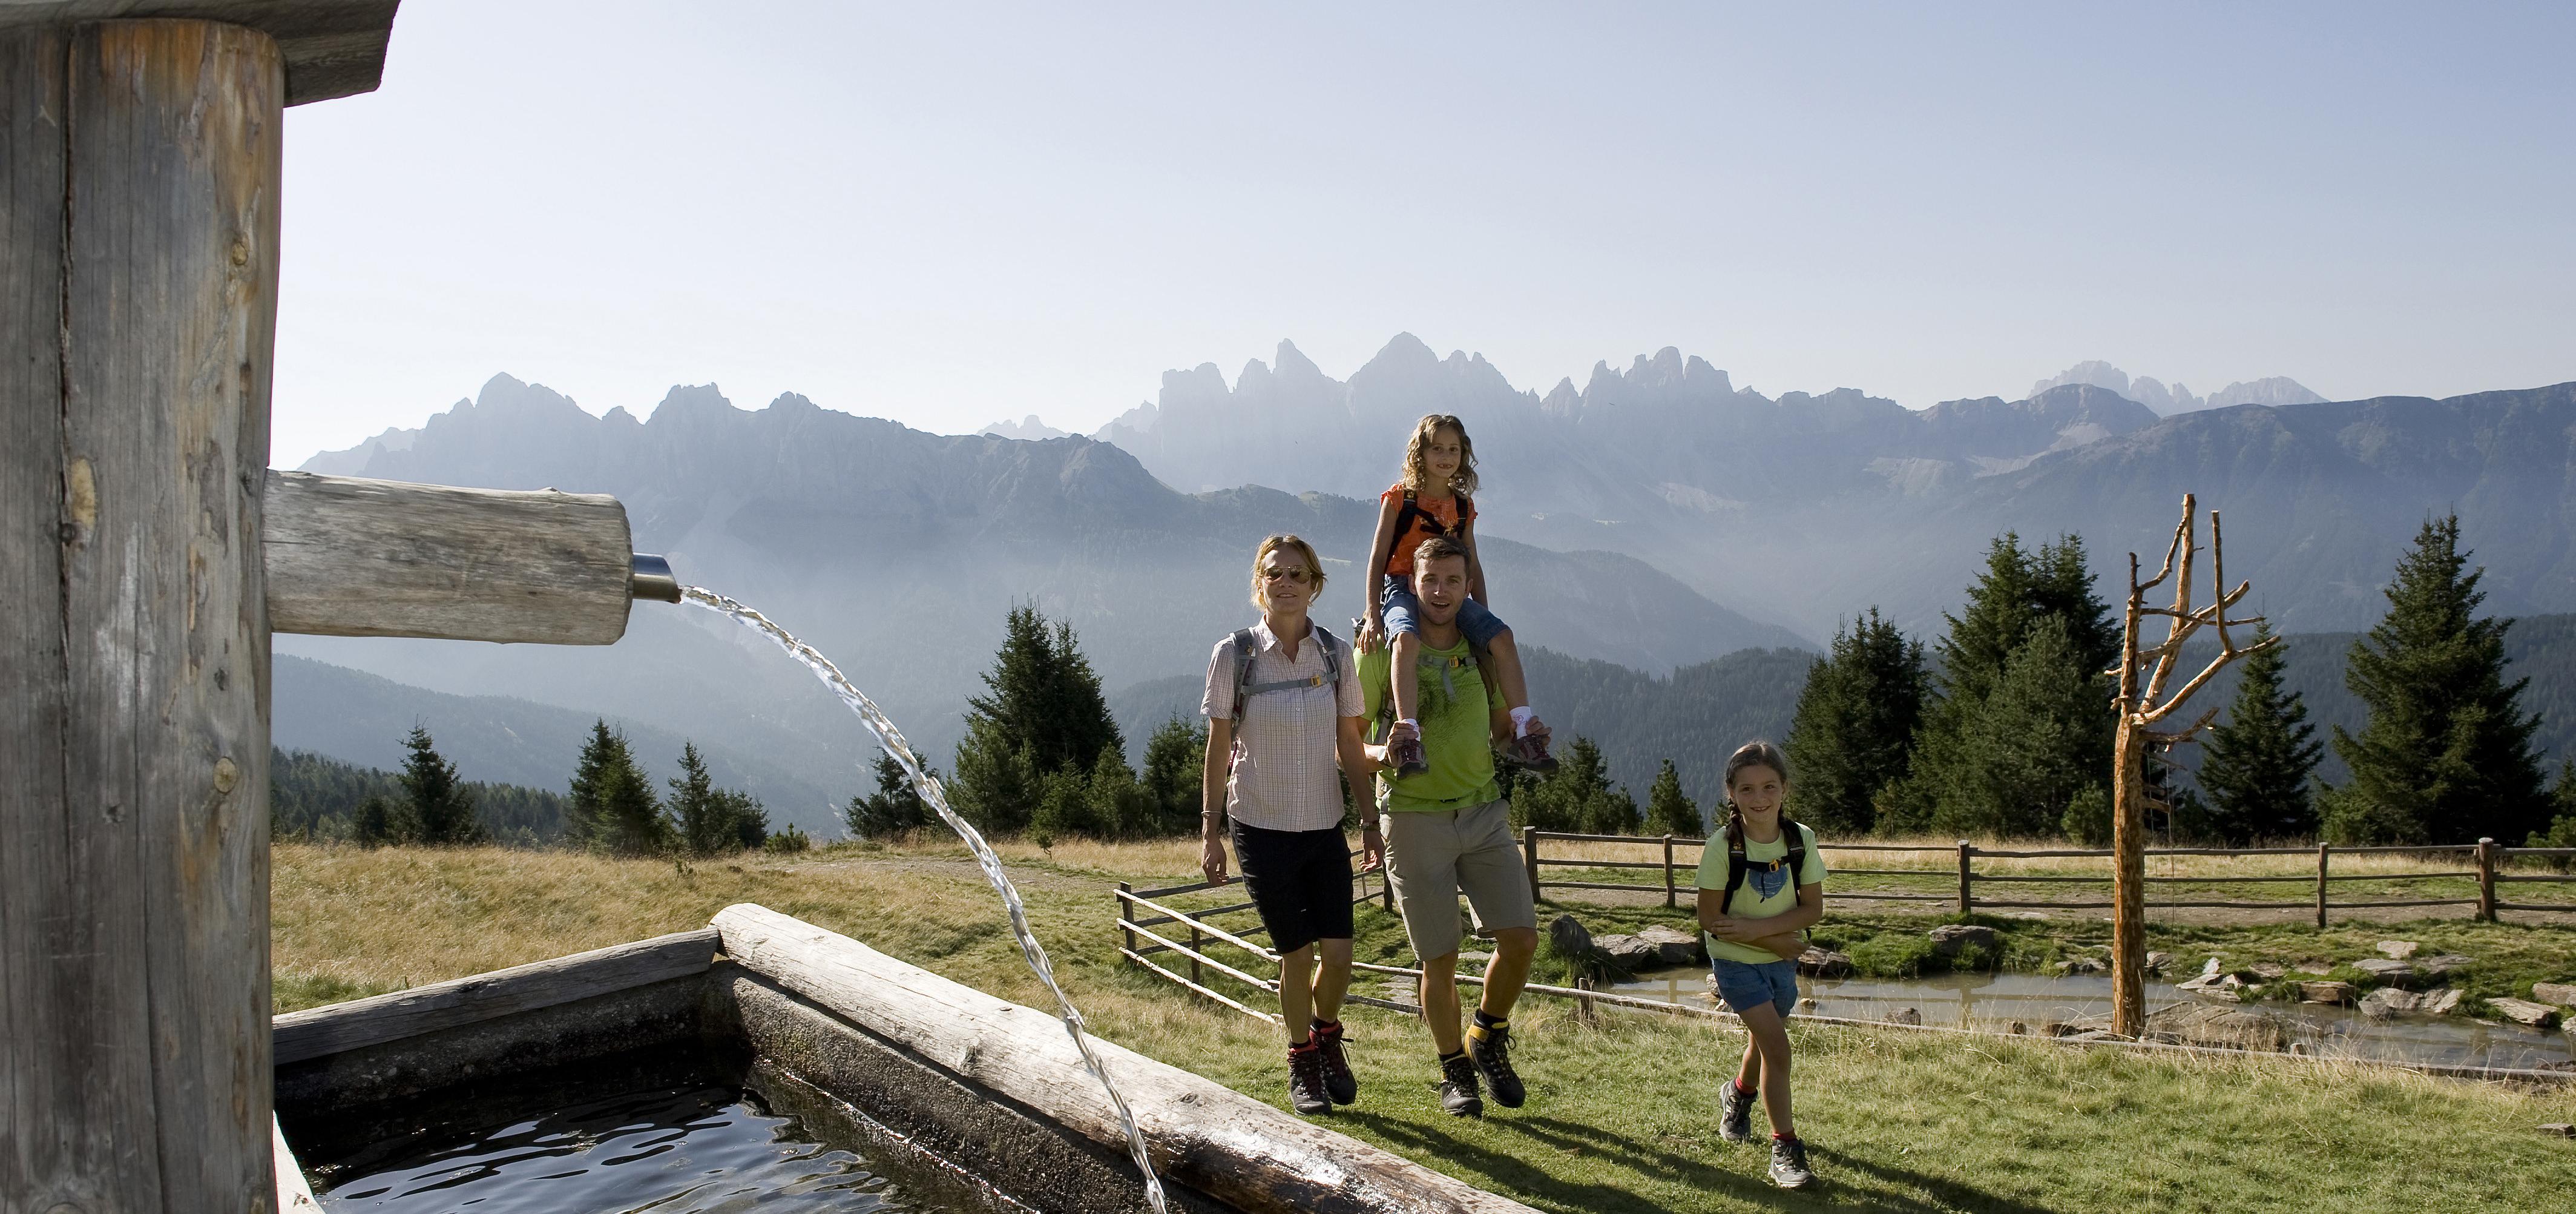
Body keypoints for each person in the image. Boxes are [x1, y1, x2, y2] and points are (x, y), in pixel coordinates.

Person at [1359, 535, 1549, 1117]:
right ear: (1411, 584)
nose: (1440, 592)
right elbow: (1348, 743)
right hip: (1413, 816)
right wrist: (1384, 753)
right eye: (1430, 581)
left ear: (1469, 586)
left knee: (1521, 939)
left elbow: (1499, 731)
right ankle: (1454, 1069)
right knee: (1439, 956)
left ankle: (1486, 1033)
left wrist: (1523, 736)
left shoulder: (1481, 650)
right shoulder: (1382, 650)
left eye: (1452, 581)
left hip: (1483, 810)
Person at [1200, 534, 1376, 1116]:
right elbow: (1218, 746)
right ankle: (1303, 1059)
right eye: (1275, 573)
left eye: (1298, 574)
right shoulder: (1235, 654)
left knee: (1340, 955)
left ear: (1315, 584)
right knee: (1297, 956)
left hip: (1324, 825)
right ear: (1260, 582)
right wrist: (1210, 831)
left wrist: (1370, 821)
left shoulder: (1335, 655)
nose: (1287, 583)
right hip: (1261, 826)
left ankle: (1326, 1033)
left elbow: (1350, 743)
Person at [1356, 414, 1554, 777]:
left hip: (1451, 587)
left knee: (1503, 637)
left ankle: (1524, 729)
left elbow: (1472, 563)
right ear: (1420, 454)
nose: (1445, 457)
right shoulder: (1399, 499)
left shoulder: (1462, 507)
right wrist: (1373, 613)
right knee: (1405, 639)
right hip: (1401, 585)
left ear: (1463, 455)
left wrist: (1483, 617)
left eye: (1453, 449)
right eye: (1437, 449)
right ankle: (1409, 735)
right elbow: (1378, 558)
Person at [1696, 741, 1825, 1189]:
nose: (1760, 797)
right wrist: (1768, 937)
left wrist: (1762, 934)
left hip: (1780, 962)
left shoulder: (1800, 840)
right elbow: (1710, 919)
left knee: (1762, 1042)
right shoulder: (1722, 846)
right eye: (1747, 788)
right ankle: (1784, 1149)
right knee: (1778, 1046)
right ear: (1731, 793)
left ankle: (1738, 1094)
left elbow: (1813, 909)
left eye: (1769, 786)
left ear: (1785, 788)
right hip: (1735, 961)